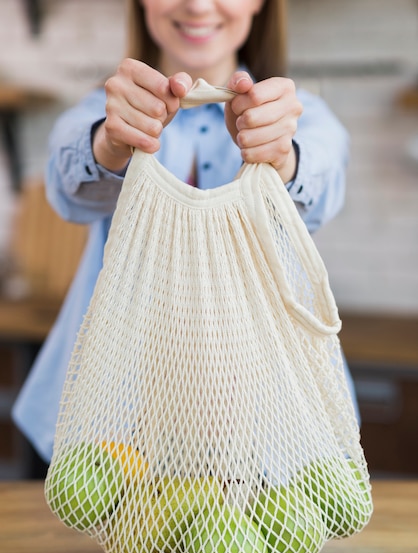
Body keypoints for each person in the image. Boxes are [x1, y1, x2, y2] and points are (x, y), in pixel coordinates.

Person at [13, 0, 354, 468]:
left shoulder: (302, 117)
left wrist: (283, 156)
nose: (196, 4)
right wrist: (110, 142)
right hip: (111, 422)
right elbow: (70, 190)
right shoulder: (104, 110)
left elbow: (322, 183)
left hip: (266, 427)